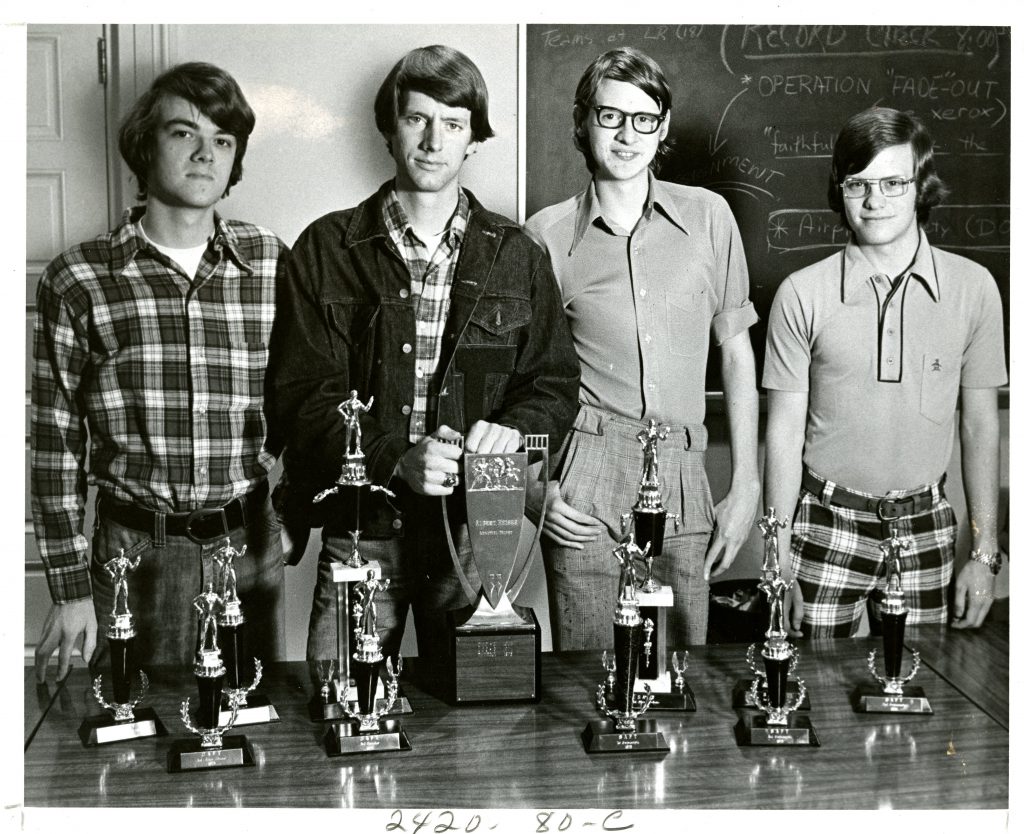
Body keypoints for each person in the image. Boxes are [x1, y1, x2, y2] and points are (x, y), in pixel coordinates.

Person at [267, 45, 579, 664]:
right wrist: (394, 460)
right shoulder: (327, 247)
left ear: (473, 141)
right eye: (417, 119)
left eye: (454, 123)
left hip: (473, 531)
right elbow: (303, 396)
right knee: (344, 711)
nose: (434, 141)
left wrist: (511, 433)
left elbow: (553, 385)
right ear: (389, 129)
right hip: (363, 527)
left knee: (476, 730)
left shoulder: (518, 254)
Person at [31, 62, 289, 680]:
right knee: (136, 742)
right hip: (133, 552)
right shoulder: (79, 278)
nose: (206, 154)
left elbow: (304, 396)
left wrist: (296, 509)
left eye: (222, 141)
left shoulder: (272, 262)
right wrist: (69, 590)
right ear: (146, 146)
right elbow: (54, 443)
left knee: (253, 737)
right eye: (184, 134)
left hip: (248, 545)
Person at [524, 47, 760, 650]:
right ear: (582, 122)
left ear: (662, 130)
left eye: (644, 118)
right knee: (592, 666)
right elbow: (523, 380)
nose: (627, 134)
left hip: (684, 467)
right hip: (588, 466)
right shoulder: (544, 235)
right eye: (609, 116)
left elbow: (736, 355)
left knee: (681, 666)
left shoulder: (710, 218)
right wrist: (535, 488)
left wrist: (746, 486)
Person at [763, 106, 1006, 638]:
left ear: (921, 185)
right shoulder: (802, 293)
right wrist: (775, 553)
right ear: (839, 189)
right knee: (812, 694)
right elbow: (781, 432)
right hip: (825, 524)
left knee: (920, 689)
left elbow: (980, 427)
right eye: (858, 184)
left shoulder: (975, 289)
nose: (874, 201)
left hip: (926, 527)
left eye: (893, 182)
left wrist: (985, 552)